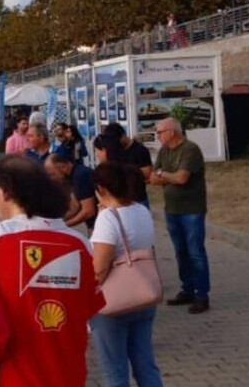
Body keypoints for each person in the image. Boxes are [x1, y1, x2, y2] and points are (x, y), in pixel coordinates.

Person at [0, 155, 104, 386]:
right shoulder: (80, 244)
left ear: (4, 192)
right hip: (66, 374)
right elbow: (89, 308)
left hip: (8, 376)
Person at [89, 161, 164, 387]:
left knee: (115, 371)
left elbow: (100, 268)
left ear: (102, 189)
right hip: (143, 293)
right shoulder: (141, 210)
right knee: (145, 365)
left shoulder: (108, 218)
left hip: (113, 301)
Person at [150, 117, 210, 314]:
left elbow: (182, 178)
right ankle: (187, 289)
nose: (158, 136)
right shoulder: (164, 151)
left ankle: (202, 295)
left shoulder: (190, 149)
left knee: (195, 252)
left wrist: (163, 174)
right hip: (172, 209)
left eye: (160, 132)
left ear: (172, 132)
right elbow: (153, 178)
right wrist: (166, 175)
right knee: (180, 252)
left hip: (191, 209)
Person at [98, 123, 152, 207]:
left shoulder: (140, 150)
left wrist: (125, 171)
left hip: (138, 198)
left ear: (123, 136)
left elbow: (147, 172)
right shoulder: (114, 151)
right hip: (121, 199)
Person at [46, 153, 97, 231]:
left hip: (98, 224)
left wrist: (62, 226)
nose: (51, 178)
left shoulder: (80, 176)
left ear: (63, 167)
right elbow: (75, 205)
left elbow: (89, 211)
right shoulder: (71, 176)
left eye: (53, 174)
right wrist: (56, 221)